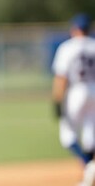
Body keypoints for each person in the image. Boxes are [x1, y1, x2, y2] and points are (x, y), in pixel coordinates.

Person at [51, 13, 95, 185]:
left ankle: (88, 166)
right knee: (90, 135)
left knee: (67, 134)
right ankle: (89, 175)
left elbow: (61, 78)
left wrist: (57, 102)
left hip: (77, 92)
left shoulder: (67, 47)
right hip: (94, 90)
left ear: (75, 29)